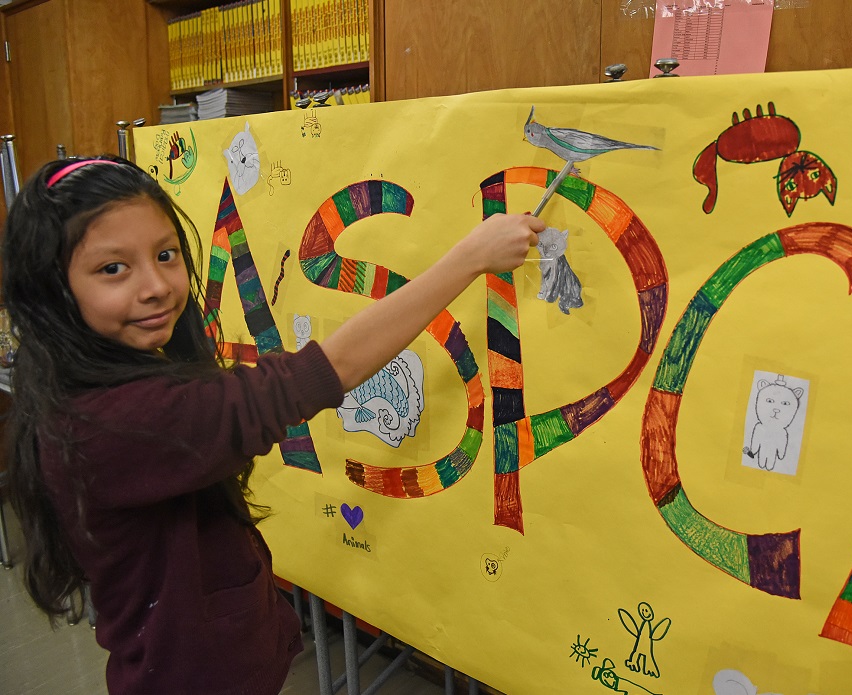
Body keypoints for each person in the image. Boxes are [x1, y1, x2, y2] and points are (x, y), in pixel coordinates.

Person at [0, 155, 544, 694]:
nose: (157, 286)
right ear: (54, 289)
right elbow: (314, 377)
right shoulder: (112, 423)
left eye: (166, 255)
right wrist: (468, 259)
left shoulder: (86, 377)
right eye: (113, 268)